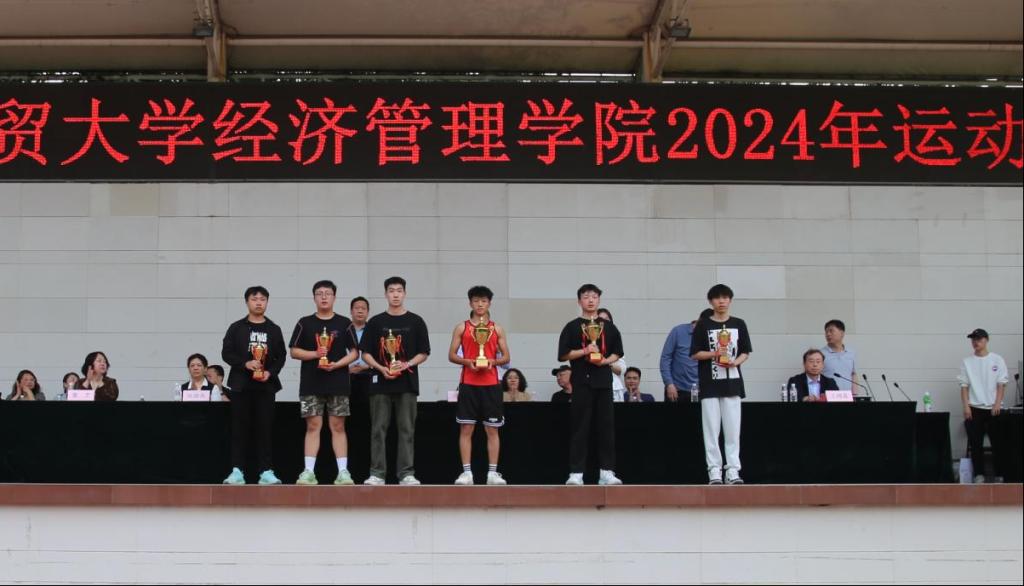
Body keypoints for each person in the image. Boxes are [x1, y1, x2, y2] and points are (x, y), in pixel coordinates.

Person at [358, 276, 431, 486]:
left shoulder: (416, 321)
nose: (395, 295)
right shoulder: (375, 322)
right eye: (391, 291)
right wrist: (381, 368)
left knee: (406, 429)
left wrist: (406, 365)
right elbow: (365, 353)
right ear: (385, 294)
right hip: (380, 383)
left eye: (399, 291)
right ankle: (377, 473)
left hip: (407, 383)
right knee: (378, 429)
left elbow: (424, 353)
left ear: (405, 293)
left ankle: (406, 473)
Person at [289, 280, 360, 486]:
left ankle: (343, 472)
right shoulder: (304, 323)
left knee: (338, 426)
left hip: (338, 382)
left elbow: (355, 352)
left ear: (334, 297)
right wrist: (315, 354)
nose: (324, 297)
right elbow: (293, 351)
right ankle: (308, 472)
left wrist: (338, 364)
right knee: (313, 426)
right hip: (311, 383)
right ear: (314, 298)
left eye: (328, 293)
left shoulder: (344, 323)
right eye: (319, 293)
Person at [558, 283, 624, 486]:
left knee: (606, 427)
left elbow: (617, 352)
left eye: (594, 296)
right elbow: (563, 354)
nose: (590, 300)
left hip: (603, 382)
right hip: (581, 382)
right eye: (586, 297)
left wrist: (604, 361)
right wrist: (585, 351)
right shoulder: (572, 326)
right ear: (579, 301)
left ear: (599, 300)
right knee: (580, 427)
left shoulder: (608, 327)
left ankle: (607, 472)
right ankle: (576, 472)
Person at [220, 286, 287, 486]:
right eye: (254, 298)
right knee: (239, 429)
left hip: (265, 387)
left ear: (267, 302)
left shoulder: (274, 329)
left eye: (262, 299)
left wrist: (270, 372)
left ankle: (266, 471)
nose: (258, 302)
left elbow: (281, 356)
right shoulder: (236, 327)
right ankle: (237, 471)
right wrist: (245, 364)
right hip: (241, 386)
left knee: (264, 429)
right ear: (247, 302)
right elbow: (226, 353)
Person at [448, 285, 511, 486]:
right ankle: (467, 472)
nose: (480, 304)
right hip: (468, 383)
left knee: (492, 430)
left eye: (483, 301)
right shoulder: (462, 327)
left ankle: (492, 473)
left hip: (491, 384)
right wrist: (467, 362)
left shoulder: (497, 328)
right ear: (470, 303)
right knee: (466, 428)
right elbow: (451, 355)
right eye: (476, 301)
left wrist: (493, 361)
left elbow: (506, 357)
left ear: (489, 303)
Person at [690, 284, 751, 485]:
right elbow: (695, 353)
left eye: (725, 297)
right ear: (711, 301)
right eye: (717, 298)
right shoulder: (703, 325)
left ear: (730, 300)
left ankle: (733, 470)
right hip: (709, 384)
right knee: (711, 430)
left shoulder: (739, 323)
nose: (721, 301)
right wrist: (715, 353)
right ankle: (714, 470)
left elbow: (745, 351)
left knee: (733, 431)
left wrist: (735, 362)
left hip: (732, 383)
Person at [957, 328, 1009, 484]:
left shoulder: (997, 359)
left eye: (978, 339)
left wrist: (997, 403)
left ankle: (1000, 474)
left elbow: (1001, 384)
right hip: (974, 407)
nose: (975, 342)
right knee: (976, 444)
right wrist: (966, 406)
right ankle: (979, 474)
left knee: (998, 443)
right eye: (973, 339)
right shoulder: (967, 362)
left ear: (986, 340)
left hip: (994, 408)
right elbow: (964, 386)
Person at [660, 311, 703, 402]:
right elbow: (665, 359)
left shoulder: (709, 336)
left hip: (698, 391)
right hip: (676, 389)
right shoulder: (678, 331)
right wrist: (669, 384)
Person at [597, 308, 627, 402]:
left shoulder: (615, 341)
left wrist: (606, 362)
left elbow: (621, 370)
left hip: (613, 388)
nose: (604, 322)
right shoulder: (589, 341)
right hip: (593, 388)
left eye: (607, 319)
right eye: (600, 319)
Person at [821, 319, 857, 392]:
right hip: (828, 395)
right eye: (826, 332)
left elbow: (853, 374)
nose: (828, 334)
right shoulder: (820, 354)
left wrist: (854, 394)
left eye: (831, 331)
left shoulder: (851, 353)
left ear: (842, 333)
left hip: (847, 396)